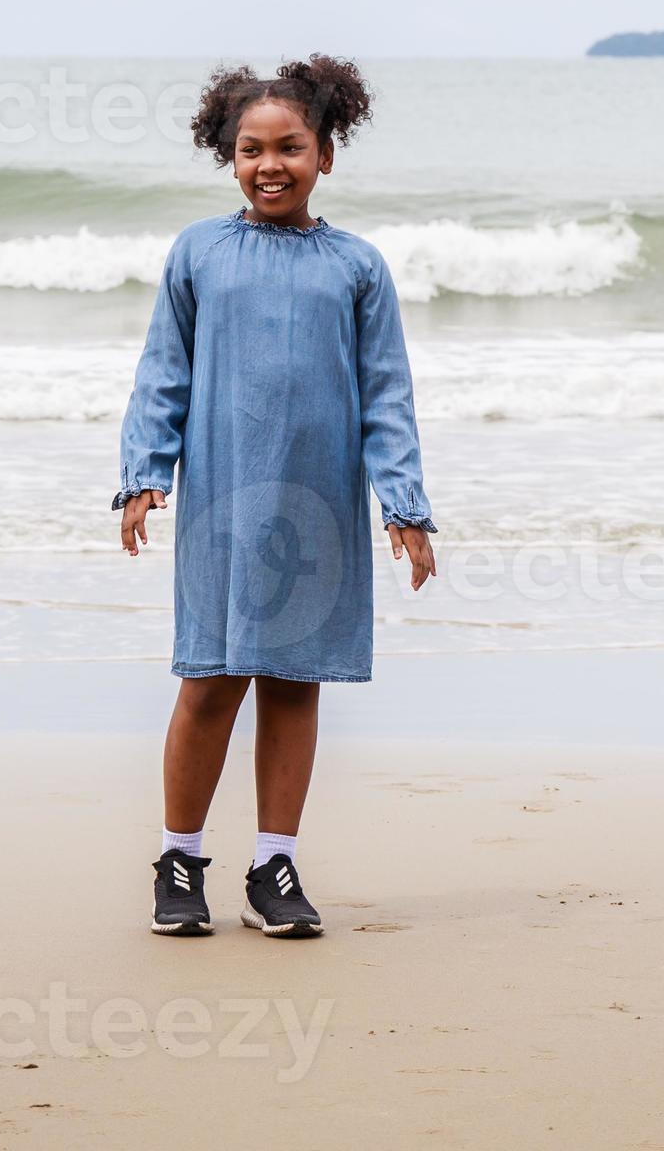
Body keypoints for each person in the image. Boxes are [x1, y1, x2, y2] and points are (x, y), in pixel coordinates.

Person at [117, 55, 436, 939]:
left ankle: (273, 865)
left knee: (295, 684)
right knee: (211, 680)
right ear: (229, 157)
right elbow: (162, 374)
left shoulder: (358, 267)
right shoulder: (199, 252)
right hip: (221, 498)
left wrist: (404, 505)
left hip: (320, 503)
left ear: (324, 155)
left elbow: (386, 394)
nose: (270, 165)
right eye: (251, 149)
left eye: (290, 147)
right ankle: (180, 861)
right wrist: (145, 473)